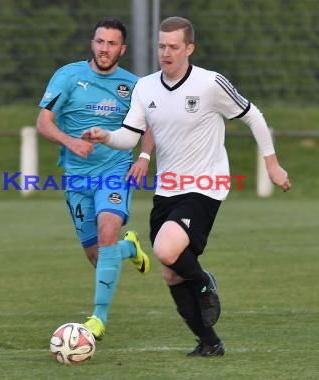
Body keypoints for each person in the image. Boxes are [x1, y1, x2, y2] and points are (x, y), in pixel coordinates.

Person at [82, 16, 291, 356]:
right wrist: (105, 135)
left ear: (189, 48)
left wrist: (271, 163)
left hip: (205, 186)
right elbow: (129, 136)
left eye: (174, 47)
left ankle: (205, 282)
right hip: (167, 190)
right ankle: (209, 343)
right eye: (161, 46)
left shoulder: (210, 83)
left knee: (165, 250)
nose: (166, 53)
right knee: (170, 273)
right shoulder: (145, 87)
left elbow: (251, 114)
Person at [36, 17, 151, 341]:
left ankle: (97, 319)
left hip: (114, 172)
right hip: (76, 177)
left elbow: (150, 125)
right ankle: (129, 249)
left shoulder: (134, 85)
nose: (104, 48)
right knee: (98, 254)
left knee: (106, 230)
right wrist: (70, 141)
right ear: (93, 43)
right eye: (100, 42)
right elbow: (44, 122)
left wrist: (143, 157)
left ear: (122, 49)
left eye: (111, 43)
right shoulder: (68, 76)